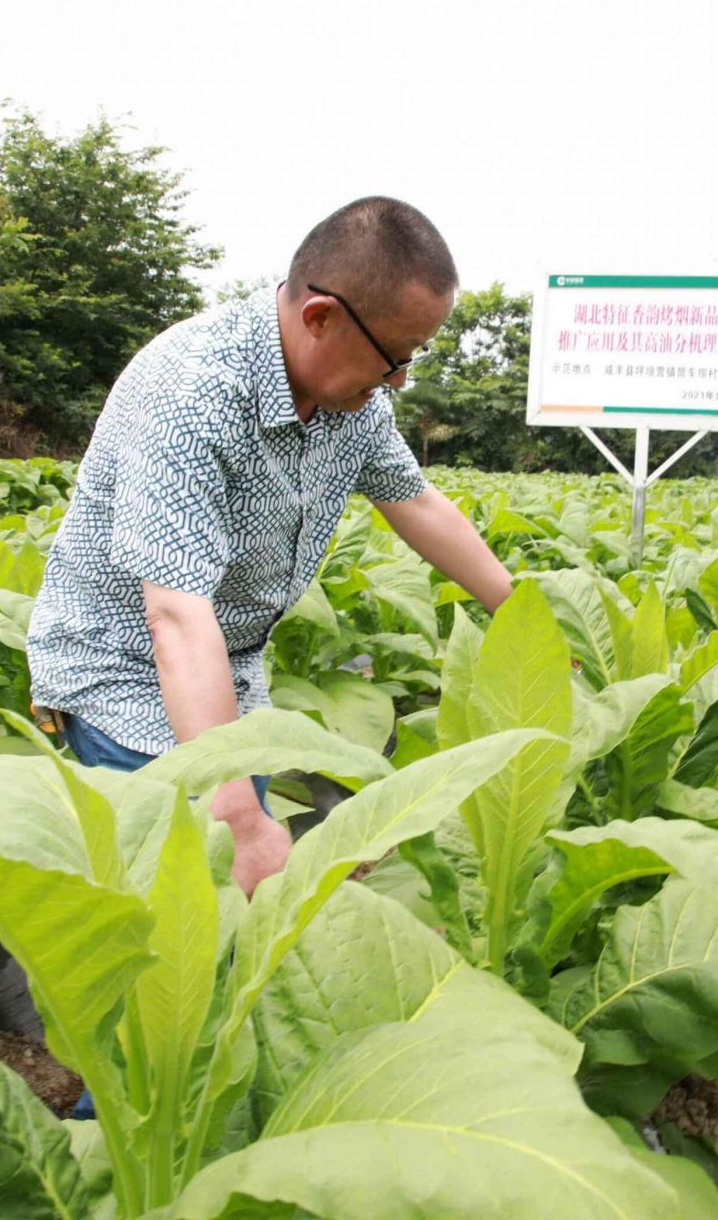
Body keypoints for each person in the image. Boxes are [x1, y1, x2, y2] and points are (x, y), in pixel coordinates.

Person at [28, 196, 515, 895]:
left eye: (411, 359)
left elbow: (413, 499)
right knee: (171, 912)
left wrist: (518, 607)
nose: (401, 381)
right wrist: (239, 818)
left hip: (227, 676)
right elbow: (174, 615)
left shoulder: (355, 398)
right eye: (392, 359)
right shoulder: (192, 391)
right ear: (321, 317)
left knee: (241, 893)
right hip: (123, 677)